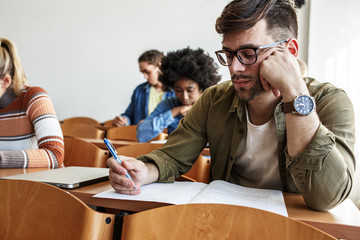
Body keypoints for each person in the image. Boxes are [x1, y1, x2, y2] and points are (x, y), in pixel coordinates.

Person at [107, 0, 358, 211]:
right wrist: (145, 170)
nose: (234, 68)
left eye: (249, 53)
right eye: (228, 54)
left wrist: (295, 93)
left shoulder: (330, 101)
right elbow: (171, 156)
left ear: (289, 51)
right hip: (225, 224)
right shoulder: (214, 99)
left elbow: (328, 198)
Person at [0, 37, 64, 168]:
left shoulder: (34, 98)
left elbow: (55, 155)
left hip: (37, 186)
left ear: (5, 81)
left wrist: (2, 159)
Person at [136, 47, 221, 142]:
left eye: (190, 90)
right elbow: (141, 134)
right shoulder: (169, 104)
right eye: (178, 90)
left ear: (201, 87)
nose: (184, 97)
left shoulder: (213, 105)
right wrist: (174, 112)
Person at [112, 50, 175, 127]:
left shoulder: (176, 91)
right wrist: (123, 120)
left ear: (160, 66)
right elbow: (129, 115)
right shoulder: (139, 90)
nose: (145, 77)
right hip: (140, 138)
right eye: (143, 73)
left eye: (147, 72)